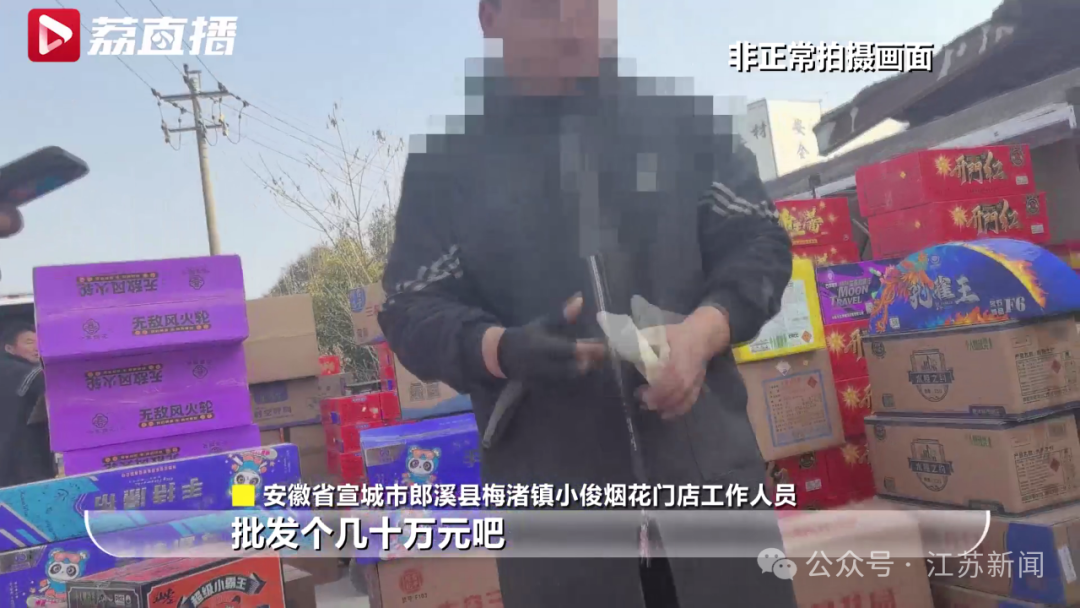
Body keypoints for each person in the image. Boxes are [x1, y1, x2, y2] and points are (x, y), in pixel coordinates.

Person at [378, 0, 797, 606]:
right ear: (490, 17)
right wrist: (500, 349)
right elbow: (412, 305)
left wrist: (703, 333)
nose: (573, 27)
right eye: (544, 9)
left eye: (589, 6)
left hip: (711, 494)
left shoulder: (683, 126)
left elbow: (759, 242)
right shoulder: (445, 168)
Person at [0, 323, 53, 488]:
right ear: (10, 348)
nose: (37, 347)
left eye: (39, 342)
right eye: (29, 342)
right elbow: (46, 382)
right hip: (20, 458)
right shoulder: (11, 368)